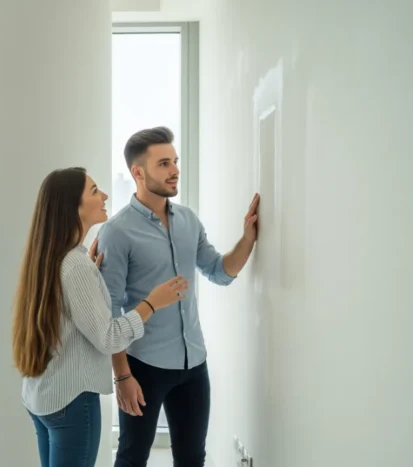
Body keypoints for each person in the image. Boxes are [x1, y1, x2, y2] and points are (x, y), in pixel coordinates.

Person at [97, 127, 259, 467]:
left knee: (191, 458)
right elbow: (110, 313)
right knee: (131, 458)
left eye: (175, 161)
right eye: (164, 163)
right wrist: (122, 376)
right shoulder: (117, 232)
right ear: (137, 173)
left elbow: (218, 271)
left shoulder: (188, 220)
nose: (175, 170)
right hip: (143, 367)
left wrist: (247, 239)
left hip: (193, 365)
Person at [13, 167, 191, 467]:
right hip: (71, 403)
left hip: (42, 397)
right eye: (94, 191)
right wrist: (151, 303)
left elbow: (72, 313)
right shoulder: (75, 266)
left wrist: (90, 273)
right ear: (74, 207)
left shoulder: (52, 258)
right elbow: (108, 338)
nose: (105, 195)